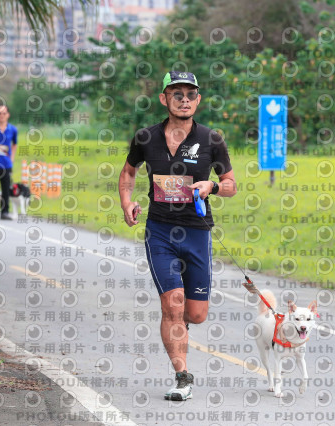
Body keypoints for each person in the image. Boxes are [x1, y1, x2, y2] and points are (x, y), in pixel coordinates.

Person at [118, 71, 237, 401]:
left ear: (198, 100)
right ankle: (182, 376)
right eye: (177, 94)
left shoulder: (212, 139)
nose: (184, 100)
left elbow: (231, 185)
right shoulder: (146, 137)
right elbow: (128, 172)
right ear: (164, 98)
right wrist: (127, 202)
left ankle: (179, 323)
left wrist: (212, 185)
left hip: (197, 233)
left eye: (190, 94)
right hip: (160, 232)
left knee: (195, 314)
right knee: (172, 304)